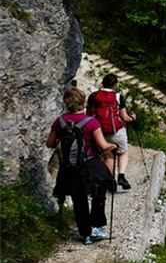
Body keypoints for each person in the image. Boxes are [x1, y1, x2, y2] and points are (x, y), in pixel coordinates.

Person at [46, 86, 117, 245]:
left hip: (69, 168)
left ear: (66, 103)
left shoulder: (60, 121)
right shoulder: (91, 122)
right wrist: (113, 146)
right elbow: (103, 145)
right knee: (99, 191)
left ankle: (85, 233)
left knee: (79, 200)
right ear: (83, 103)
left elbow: (50, 144)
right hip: (89, 164)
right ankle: (97, 227)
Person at [87, 73, 136, 190]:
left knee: (108, 155)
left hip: (99, 132)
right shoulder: (118, 97)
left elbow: (88, 115)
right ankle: (121, 176)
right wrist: (133, 117)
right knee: (122, 152)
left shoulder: (93, 96)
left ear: (103, 82)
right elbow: (125, 117)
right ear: (115, 85)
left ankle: (109, 181)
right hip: (116, 131)